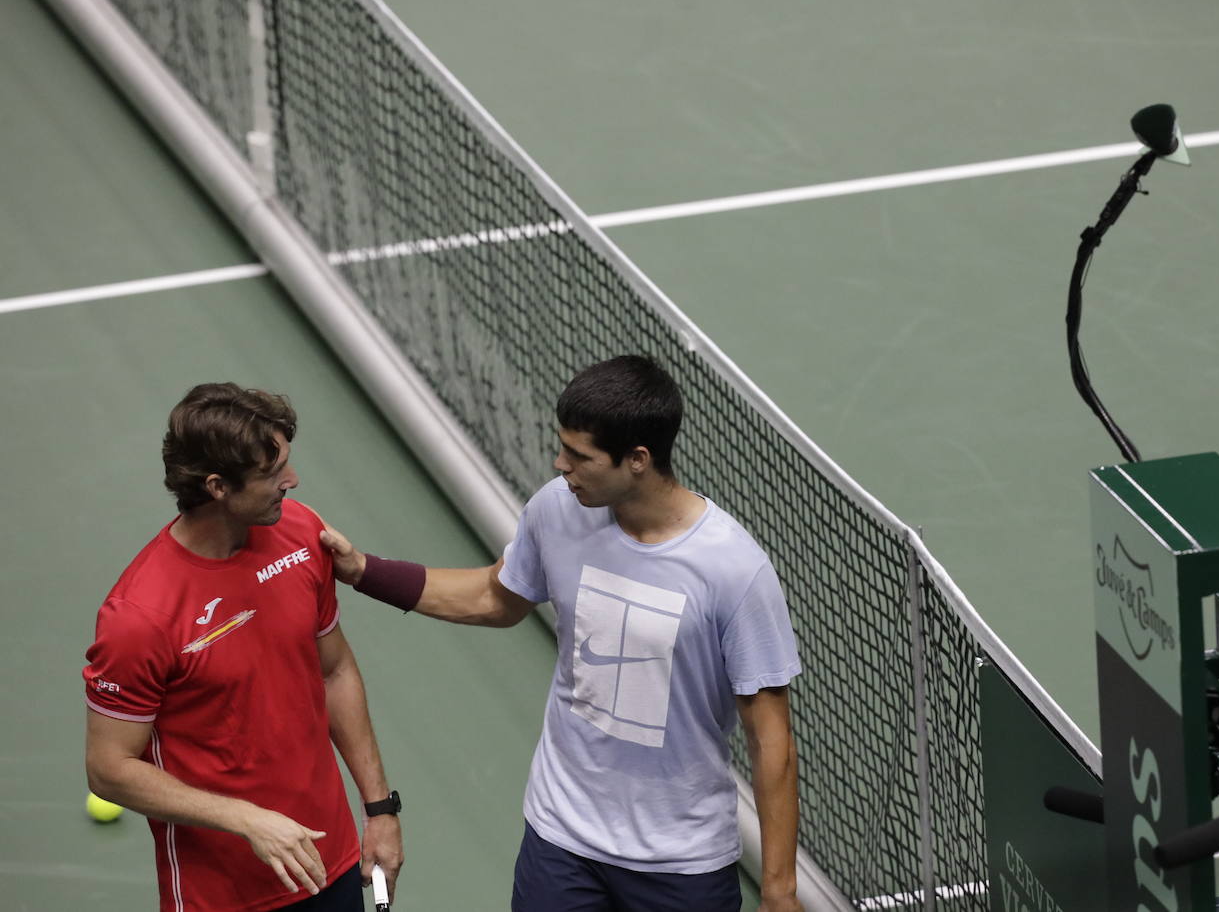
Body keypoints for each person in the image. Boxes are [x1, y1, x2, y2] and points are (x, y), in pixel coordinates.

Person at [320, 355, 803, 912]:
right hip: (562, 838)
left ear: (638, 460)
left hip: (681, 862)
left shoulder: (734, 571)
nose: (560, 464)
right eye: (562, 447)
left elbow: (771, 739)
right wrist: (364, 572)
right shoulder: (558, 510)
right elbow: (494, 597)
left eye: (580, 455)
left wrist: (780, 890)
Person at [83, 383, 403, 912]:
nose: (292, 482)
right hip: (226, 892)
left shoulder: (302, 534)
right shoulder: (139, 616)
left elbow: (335, 672)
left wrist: (380, 808)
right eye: (272, 473)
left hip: (330, 857)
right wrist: (245, 818)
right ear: (217, 487)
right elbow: (109, 768)